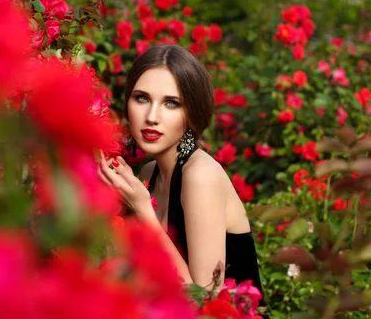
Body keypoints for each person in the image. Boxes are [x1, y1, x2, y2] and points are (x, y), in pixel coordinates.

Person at [97, 44, 267, 313]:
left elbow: (203, 302)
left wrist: (143, 210)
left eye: (171, 103)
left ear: (192, 113)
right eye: (142, 98)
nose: (152, 117)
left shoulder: (200, 175)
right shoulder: (147, 173)